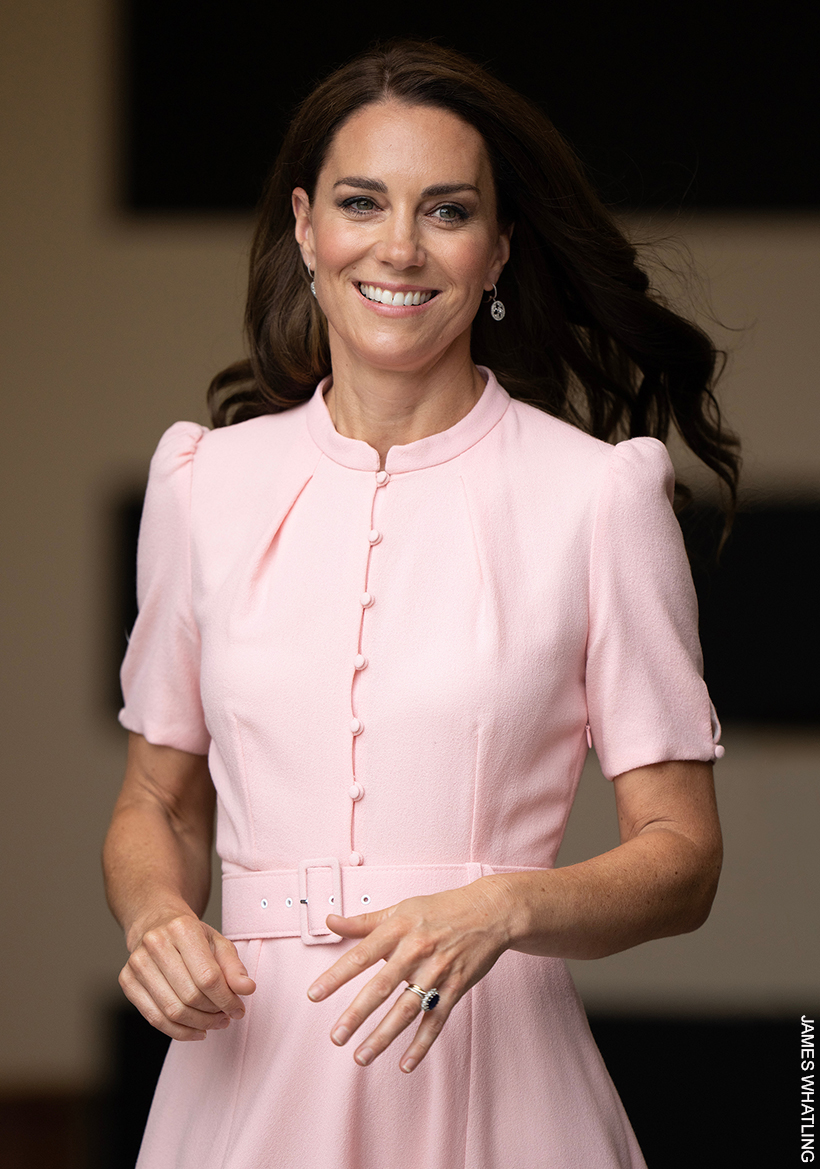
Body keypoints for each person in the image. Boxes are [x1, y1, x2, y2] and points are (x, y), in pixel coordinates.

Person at [103, 38, 739, 1169]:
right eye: (362, 203)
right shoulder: (202, 483)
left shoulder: (598, 496)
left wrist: (503, 907)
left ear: (497, 250)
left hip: (497, 1077)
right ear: (307, 227)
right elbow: (158, 799)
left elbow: (683, 855)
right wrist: (157, 915)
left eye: (446, 211)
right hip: (240, 1083)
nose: (398, 246)